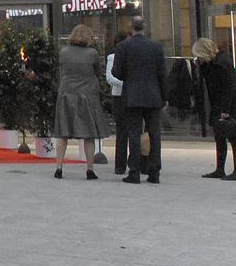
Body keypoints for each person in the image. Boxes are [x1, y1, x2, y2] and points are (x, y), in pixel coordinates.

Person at [51, 25, 108, 180]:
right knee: (89, 134)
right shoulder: (92, 53)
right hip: (87, 95)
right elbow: (98, 72)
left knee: (63, 133)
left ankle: (59, 167)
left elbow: (61, 71)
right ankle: (89, 169)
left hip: (66, 94)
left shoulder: (64, 52)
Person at [114, 16, 166, 185]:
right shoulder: (156, 47)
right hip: (153, 95)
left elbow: (116, 72)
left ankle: (134, 171)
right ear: (145, 28)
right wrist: (164, 96)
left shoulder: (123, 47)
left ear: (131, 28)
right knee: (154, 134)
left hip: (132, 96)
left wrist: (129, 76)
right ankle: (154, 171)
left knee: (134, 133)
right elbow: (162, 74)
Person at [194, 37, 236, 181]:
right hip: (217, 103)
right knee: (219, 136)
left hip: (228, 105)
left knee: (233, 137)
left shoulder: (223, 63)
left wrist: (225, 110)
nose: (198, 58)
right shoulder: (209, 64)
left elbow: (229, 87)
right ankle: (220, 169)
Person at [103, 36, 128, 175]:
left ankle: (135, 162)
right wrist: (126, 83)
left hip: (132, 96)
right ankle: (120, 165)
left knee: (134, 131)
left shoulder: (132, 55)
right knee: (122, 131)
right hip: (119, 96)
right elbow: (110, 78)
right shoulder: (112, 57)